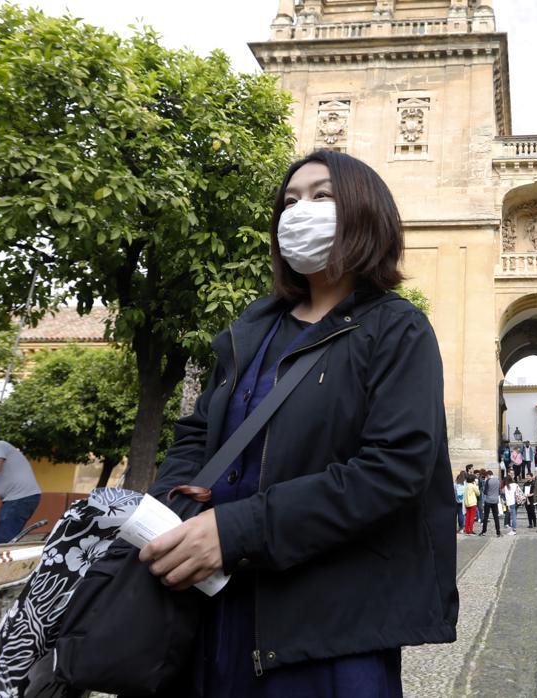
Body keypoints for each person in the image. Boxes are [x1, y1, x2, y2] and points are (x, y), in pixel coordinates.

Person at [139, 150, 457, 696]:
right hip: (217, 612)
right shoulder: (250, 330)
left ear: (364, 212)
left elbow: (393, 470)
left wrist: (238, 531)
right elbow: (197, 433)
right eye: (289, 201)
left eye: (321, 196)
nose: (298, 211)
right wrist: (176, 510)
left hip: (328, 631)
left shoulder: (398, 330)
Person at [478, 469, 502, 537]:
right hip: (495, 500)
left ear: (488, 475)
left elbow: (485, 492)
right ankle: (498, 532)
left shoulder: (487, 481)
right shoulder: (497, 480)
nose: (486, 477)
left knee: (486, 516)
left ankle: (483, 531)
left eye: (486, 476)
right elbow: (499, 491)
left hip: (488, 500)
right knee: (496, 517)